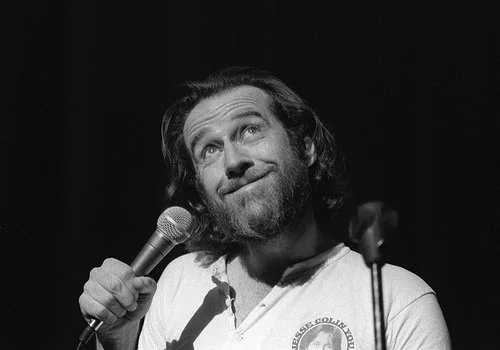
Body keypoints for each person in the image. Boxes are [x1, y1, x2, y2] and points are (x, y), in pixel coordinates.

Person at [79, 67, 451, 350]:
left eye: (250, 131)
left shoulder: (397, 301)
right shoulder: (178, 281)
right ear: (199, 189)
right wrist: (117, 338)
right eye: (208, 149)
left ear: (305, 146)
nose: (233, 161)